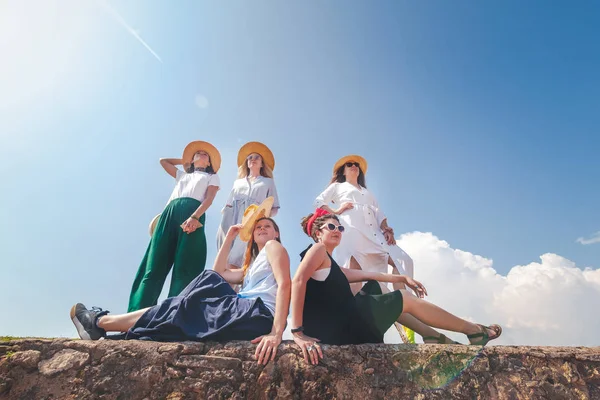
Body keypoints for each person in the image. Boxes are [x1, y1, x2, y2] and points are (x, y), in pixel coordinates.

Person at [70, 198, 290, 365]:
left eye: (267, 226)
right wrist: (230, 237)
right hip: (246, 311)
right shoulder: (252, 266)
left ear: (276, 234)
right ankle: (120, 330)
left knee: (192, 295)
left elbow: (285, 285)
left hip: (257, 312)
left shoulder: (273, 247)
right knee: (186, 305)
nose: (261, 228)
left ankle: (100, 322)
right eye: (258, 227)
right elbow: (219, 272)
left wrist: (276, 332)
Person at [289, 210, 502, 365]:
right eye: (331, 227)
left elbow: (368, 274)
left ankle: (431, 335)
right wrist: (297, 332)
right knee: (402, 298)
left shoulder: (331, 264)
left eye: (340, 227)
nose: (337, 231)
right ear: (318, 233)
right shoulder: (317, 250)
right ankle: (473, 331)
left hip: (343, 326)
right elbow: (297, 282)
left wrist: (401, 277)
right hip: (337, 331)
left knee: (376, 289)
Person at [128, 141, 221, 312]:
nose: (201, 155)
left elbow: (209, 198)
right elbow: (163, 161)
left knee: (186, 266)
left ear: (209, 163)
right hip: (169, 213)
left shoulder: (211, 177)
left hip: (193, 213)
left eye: (205, 155)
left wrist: (195, 216)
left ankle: (175, 316)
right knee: (154, 264)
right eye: (198, 153)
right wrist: (187, 160)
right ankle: (136, 315)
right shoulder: (182, 175)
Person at [314, 155, 413, 291]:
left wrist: (386, 229)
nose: (354, 165)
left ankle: (402, 299)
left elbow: (379, 212)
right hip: (352, 229)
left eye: (356, 164)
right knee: (354, 265)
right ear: (343, 171)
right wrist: (337, 211)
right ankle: (354, 305)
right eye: (349, 164)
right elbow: (319, 201)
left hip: (374, 233)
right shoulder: (337, 186)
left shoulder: (367, 192)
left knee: (402, 259)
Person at [217, 141, 280, 269]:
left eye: (257, 157)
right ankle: (225, 285)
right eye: (250, 157)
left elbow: (274, 208)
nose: (253, 159)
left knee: (242, 256)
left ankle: (234, 286)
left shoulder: (268, 182)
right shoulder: (238, 182)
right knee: (225, 254)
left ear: (262, 163)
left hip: (251, 220)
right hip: (231, 218)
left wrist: (261, 219)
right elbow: (228, 205)